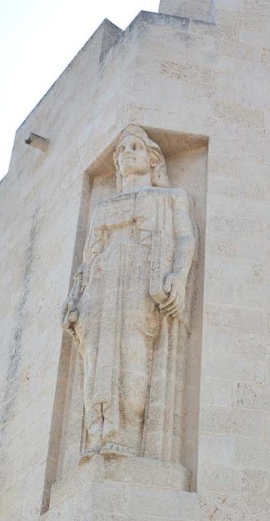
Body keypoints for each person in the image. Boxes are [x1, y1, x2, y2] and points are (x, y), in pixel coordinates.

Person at [63, 125, 197, 461]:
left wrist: (179, 278)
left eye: (134, 147)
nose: (126, 154)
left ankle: (125, 436)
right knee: (95, 362)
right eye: (121, 150)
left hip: (141, 286)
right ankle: (98, 433)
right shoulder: (103, 207)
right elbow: (87, 258)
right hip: (100, 288)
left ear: (153, 159)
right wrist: (74, 298)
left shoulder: (171, 198)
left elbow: (185, 238)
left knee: (132, 355)